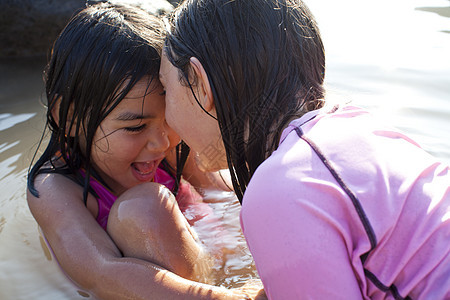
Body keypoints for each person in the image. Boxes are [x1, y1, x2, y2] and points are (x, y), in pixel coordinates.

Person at [160, 0, 450, 299]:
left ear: (200, 82)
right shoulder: (357, 127)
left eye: (164, 89)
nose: (165, 119)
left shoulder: (280, 187)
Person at [27, 3, 265, 299]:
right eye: (135, 127)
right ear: (70, 117)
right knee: (142, 209)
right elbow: (99, 273)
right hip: (183, 291)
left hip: (222, 259)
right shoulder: (56, 186)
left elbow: (227, 198)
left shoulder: (168, 145)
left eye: (168, 118)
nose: (161, 143)